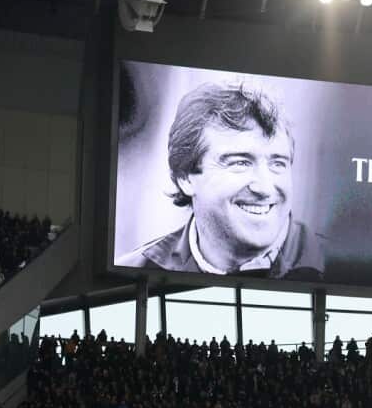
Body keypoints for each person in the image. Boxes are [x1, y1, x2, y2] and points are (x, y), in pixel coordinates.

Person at [116, 83, 324, 280]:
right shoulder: (132, 273)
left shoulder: (341, 267)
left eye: (277, 164)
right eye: (240, 163)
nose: (264, 187)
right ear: (185, 177)